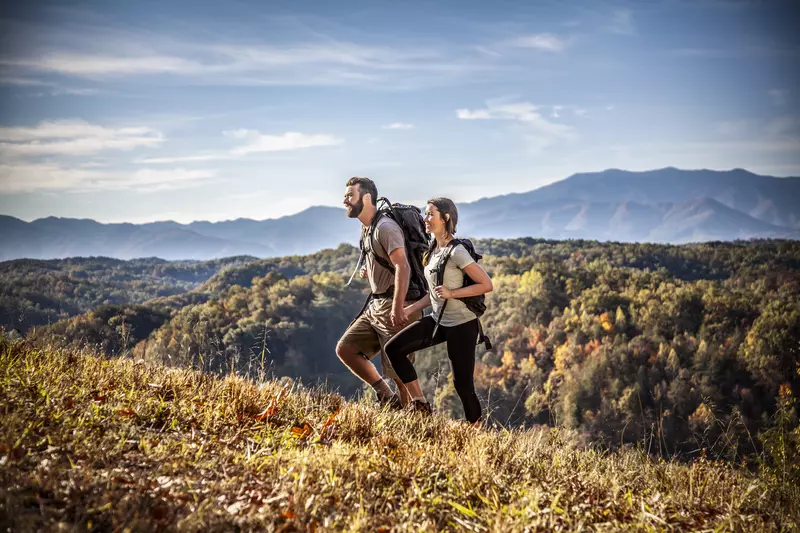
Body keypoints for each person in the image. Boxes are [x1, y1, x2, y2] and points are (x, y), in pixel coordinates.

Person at [384, 197, 493, 424]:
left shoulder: (457, 251)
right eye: (425, 214)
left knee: (462, 385)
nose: (425, 219)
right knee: (394, 349)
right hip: (438, 320)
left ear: (445, 218)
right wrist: (410, 309)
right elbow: (434, 294)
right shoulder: (433, 250)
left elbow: (486, 284)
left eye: (430, 214)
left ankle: (477, 430)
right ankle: (420, 404)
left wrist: (453, 293)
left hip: (462, 324)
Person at [336, 177, 422, 408]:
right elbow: (384, 260)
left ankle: (412, 417)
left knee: (398, 371)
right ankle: (387, 397)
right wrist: (369, 268)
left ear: (366, 198)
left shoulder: (385, 227)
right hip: (376, 306)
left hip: (396, 304)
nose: (345, 200)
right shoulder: (367, 228)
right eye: (345, 196)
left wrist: (398, 307)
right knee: (346, 349)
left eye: (350, 195)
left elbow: (403, 266)